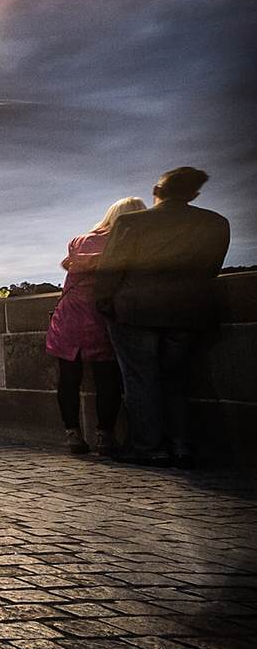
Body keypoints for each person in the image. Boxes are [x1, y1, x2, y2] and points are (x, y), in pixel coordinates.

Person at [94, 167, 230, 468]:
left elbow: (109, 271)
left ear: (157, 191)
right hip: (188, 312)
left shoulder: (131, 223)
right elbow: (211, 269)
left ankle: (149, 447)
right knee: (178, 380)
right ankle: (181, 445)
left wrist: (104, 303)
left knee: (140, 380)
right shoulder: (216, 223)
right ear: (193, 194)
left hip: (134, 312)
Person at [44, 197, 146, 456]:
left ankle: (72, 434)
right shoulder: (127, 245)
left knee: (68, 380)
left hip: (68, 321)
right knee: (108, 381)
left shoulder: (81, 241)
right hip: (101, 321)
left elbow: (79, 261)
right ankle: (105, 435)